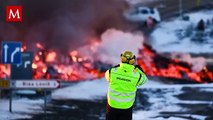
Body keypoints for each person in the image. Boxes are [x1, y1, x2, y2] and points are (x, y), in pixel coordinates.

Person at [105, 51, 148, 120]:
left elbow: (107, 77)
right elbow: (144, 80)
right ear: (132, 60)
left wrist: (117, 69)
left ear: (122, 58)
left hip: (112, 105)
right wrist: (139, 70)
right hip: (126, 107)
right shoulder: (137, 76)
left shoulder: (112, 72)